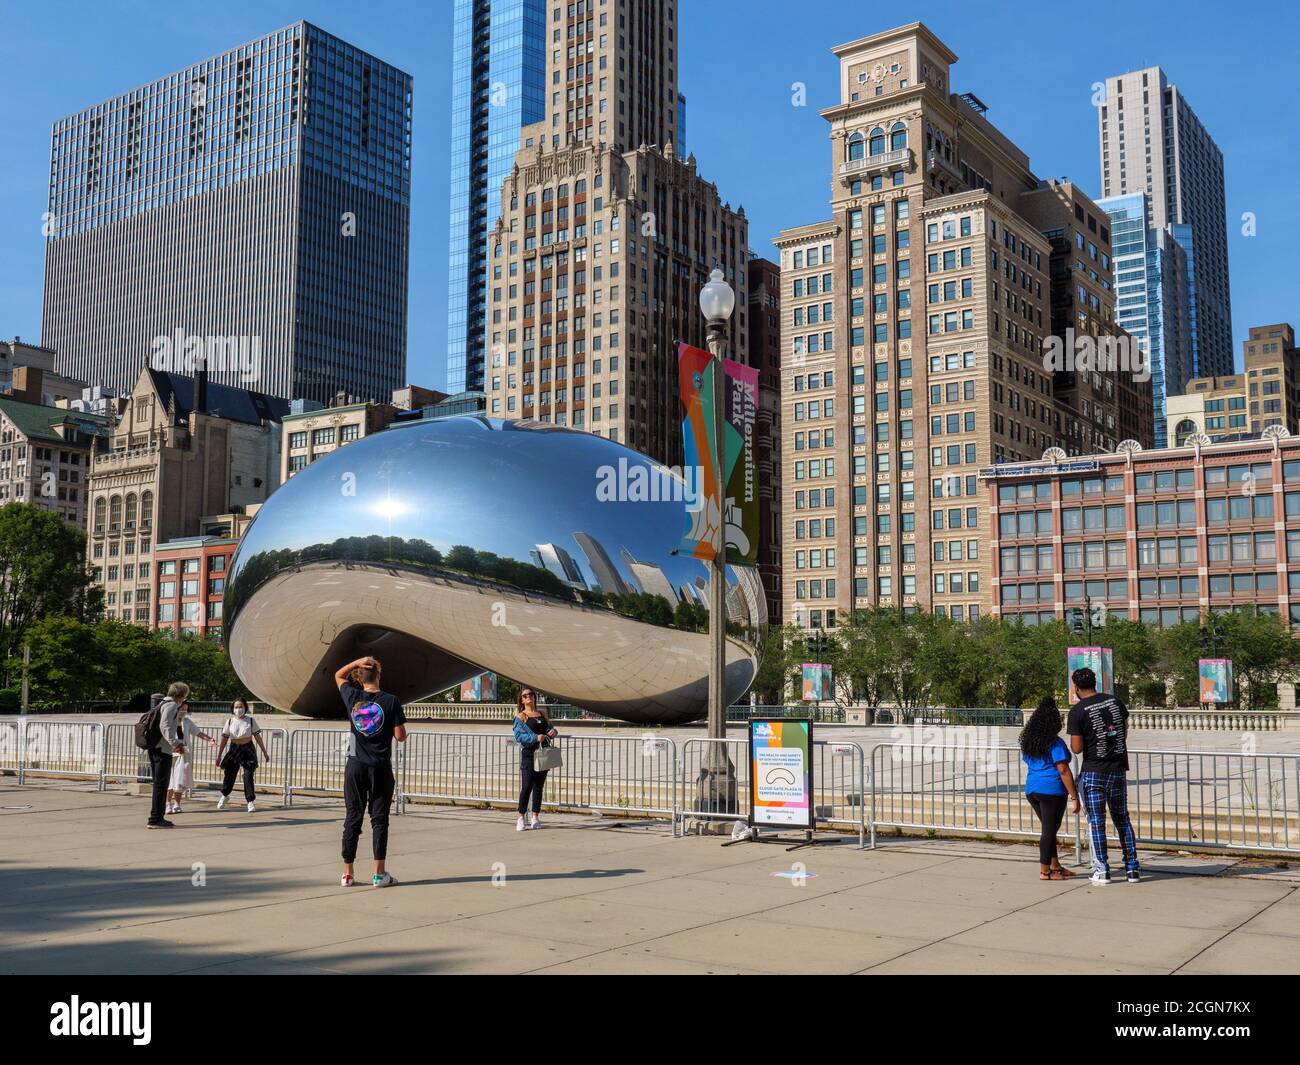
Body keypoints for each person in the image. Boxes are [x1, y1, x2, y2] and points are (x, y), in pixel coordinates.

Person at [334, 656, 406, 888]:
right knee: (379, 820)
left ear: (359, 677)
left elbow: (338, 675)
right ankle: (379, 873)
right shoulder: (391, 701)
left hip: (355, 765)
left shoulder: (353, 697)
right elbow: (400, 736)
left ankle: (347, 873)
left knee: (352, 817)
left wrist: (357, 662)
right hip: (380, 767)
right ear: (379, 675)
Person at [1067, 667, 1141, 885]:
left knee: (1097, 821)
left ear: (1076, 686)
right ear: (1095, 683)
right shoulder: (1115, 702)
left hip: (1094, 772)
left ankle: (1102, 869)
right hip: (1117, 769)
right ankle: (1132, 867)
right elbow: (1124, 730)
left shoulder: (1078, 711)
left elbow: (1077, 748)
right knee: (1122, 819)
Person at [1018, 697, 1080, 881]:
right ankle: (1045, 870)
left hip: (1033, 789)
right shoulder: (1055, 743)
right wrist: (1074, 796)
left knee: (1049, 829)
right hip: (1052, 790)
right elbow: (1063, 769)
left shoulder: (1029, 742)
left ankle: (1055, 866)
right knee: (1049, 831)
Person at [214, 699, 271, 812]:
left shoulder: (250, 720)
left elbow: (258, 738)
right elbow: (224, 739)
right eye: (236, 707)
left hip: (248, 749)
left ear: (245, 707)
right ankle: (225, 795)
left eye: (241, 706)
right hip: (234, 748)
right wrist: (219, 755)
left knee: (248, 776)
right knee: (230, 774)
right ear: (232, 709)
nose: (238, 709)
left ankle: (250, 801)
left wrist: (264, 752)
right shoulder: (229, 721)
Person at [513, 688, 557, 831]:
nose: (528, 697)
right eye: (525, 696)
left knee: (538, 786)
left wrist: (553, 732)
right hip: (529, 755)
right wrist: (534, 738)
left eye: (531, 694)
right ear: (522, 700)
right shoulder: (521, 717)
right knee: (526, 786)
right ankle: (520, 817)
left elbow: (550, 729)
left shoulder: (542, 714)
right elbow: (519, 737)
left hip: (543, 753)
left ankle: (535, 817)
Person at [148, 683, 188, 829]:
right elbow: (165, 726)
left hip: (155, 747)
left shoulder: (162, 704)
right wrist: (176, 743)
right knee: (161, 785)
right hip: (162, 749)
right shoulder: (171, 705)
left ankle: (156, 817)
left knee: (159, 784)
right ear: (180, 695)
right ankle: (156, 819)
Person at [166, 702, 217, 814]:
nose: (183, 712)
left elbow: (198, 733)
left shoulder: (187, 722)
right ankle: (167, 803)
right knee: (170, 780)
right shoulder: (168, 722)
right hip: (170, 754)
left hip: (183, 754)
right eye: (182, 709)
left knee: (179, 780)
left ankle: (177, 804)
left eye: (185, 710)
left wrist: (210, 739)